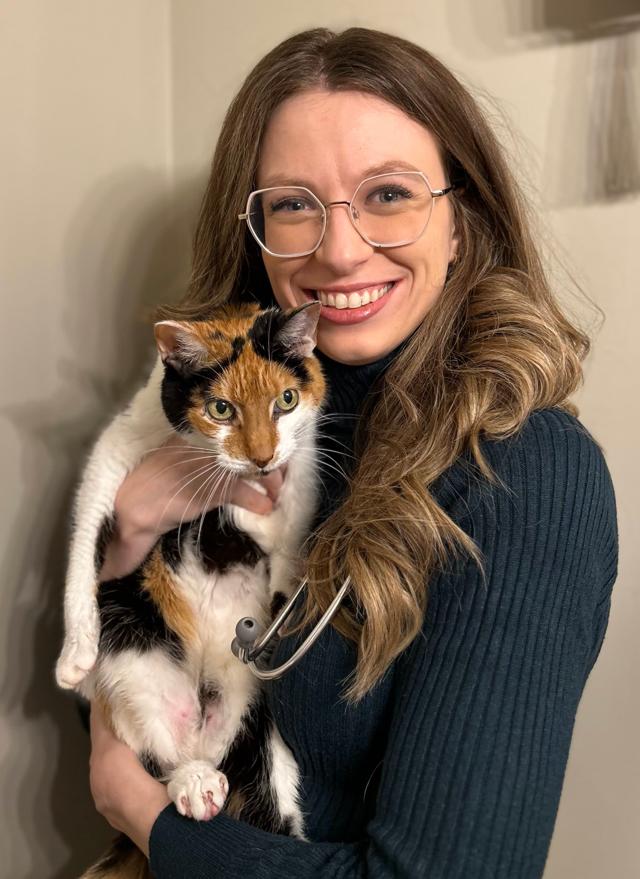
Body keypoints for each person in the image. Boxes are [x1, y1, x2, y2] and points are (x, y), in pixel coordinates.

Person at [86, 27, 618, 878]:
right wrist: (130, 536)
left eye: (390, 193)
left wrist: (151, 819)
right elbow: (149, 687)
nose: (338, 249)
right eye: (294, 203)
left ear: (461, 223)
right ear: (258, 235)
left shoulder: (523, 473)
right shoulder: (233, 432)